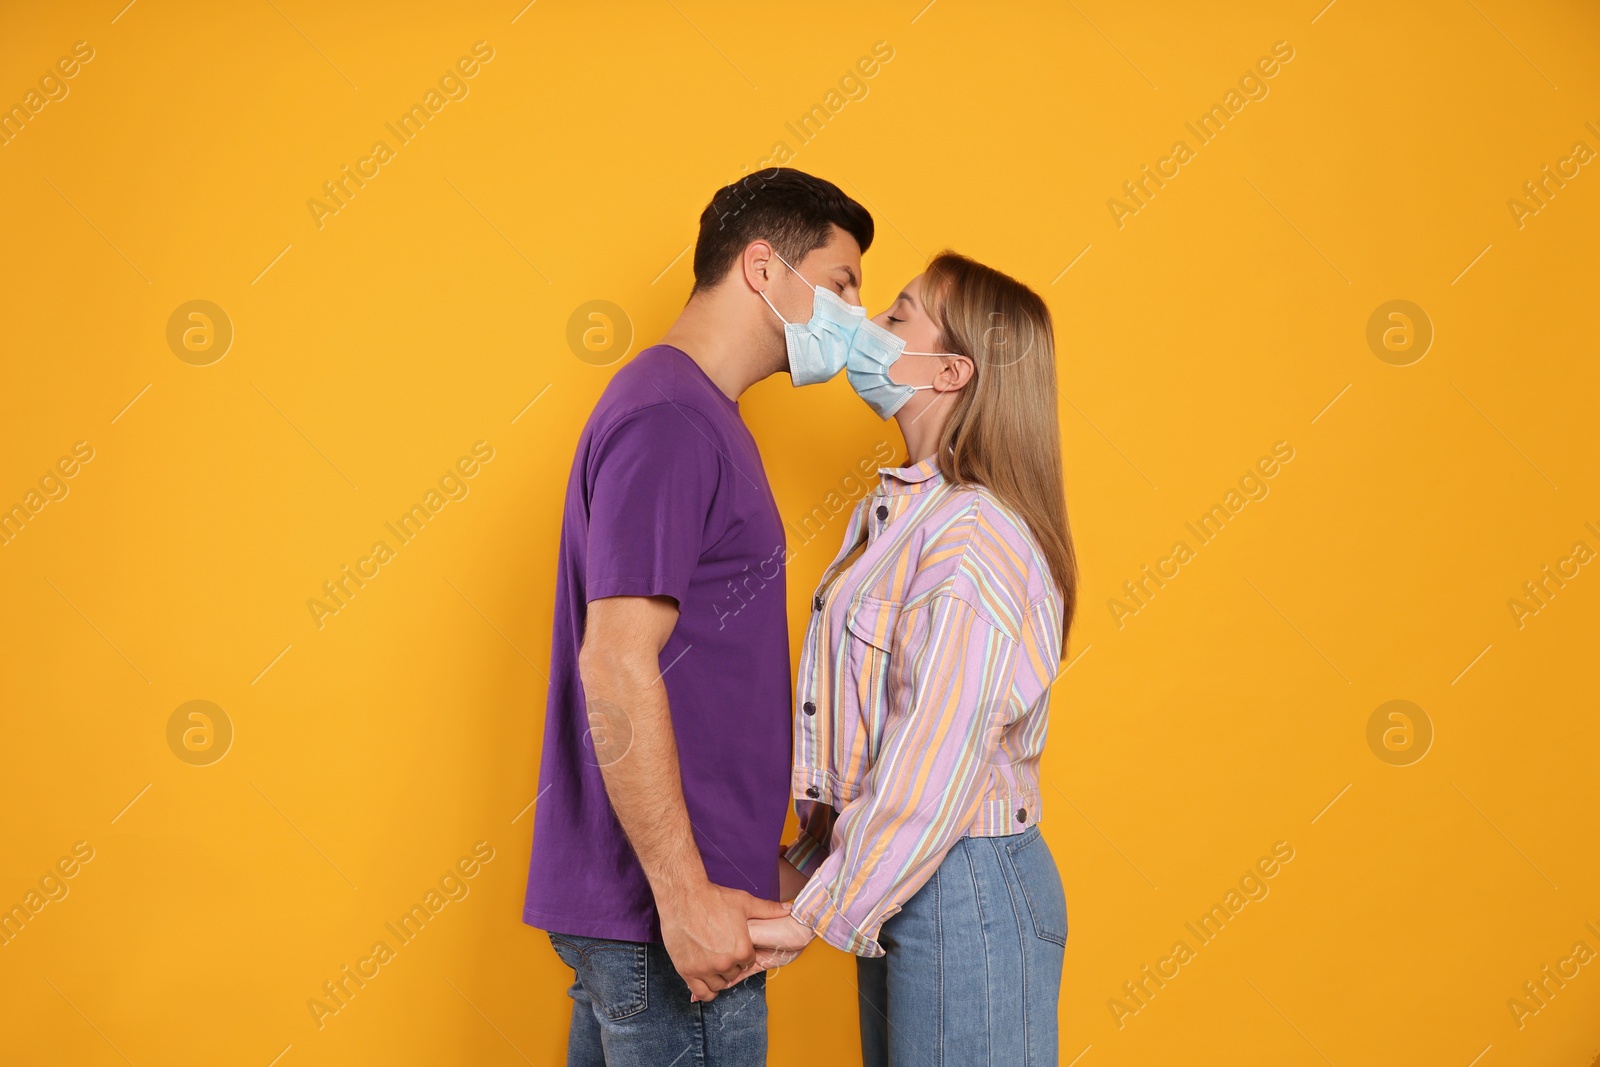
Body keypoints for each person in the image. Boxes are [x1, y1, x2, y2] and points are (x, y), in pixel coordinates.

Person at [521, 168, 875, 1065]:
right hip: (671, 926)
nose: (855, 318)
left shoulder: (694, 415)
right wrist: (685, 896)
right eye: (841, 285)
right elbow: (614, 663)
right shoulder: (672, 418)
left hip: (673, 909)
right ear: (763, 266)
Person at [744, 252, 1079, 1066]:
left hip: (962, 890)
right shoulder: (908, 515)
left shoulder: (973, 541)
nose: (866, 328)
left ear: (952, 370)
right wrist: (808, 865)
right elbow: (880, 733)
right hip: (916, 879)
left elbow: (933, 761)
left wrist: (813, 910)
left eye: (897, 317)